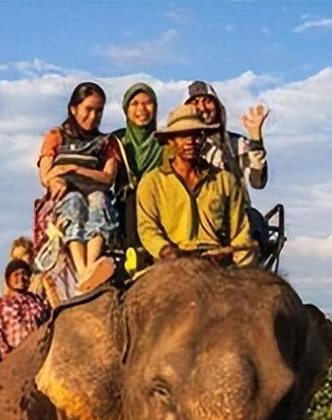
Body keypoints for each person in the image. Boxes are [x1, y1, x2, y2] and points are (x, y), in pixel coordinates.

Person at [136, 104, 256, 268]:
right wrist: (165, 250)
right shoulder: (152, 182)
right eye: (182, 136)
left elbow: (241, 231)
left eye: (196, 135)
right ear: (169, 140)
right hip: (170, 263)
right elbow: (147, 229)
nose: (190, 142)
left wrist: (237, 260)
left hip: (216, 262)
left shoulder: (225, 180)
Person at [37, 82, 121, 292]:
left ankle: (91, 265)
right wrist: (55, 180)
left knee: (98, 199)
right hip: (66, 200)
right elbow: (46, 174)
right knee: (74, 202)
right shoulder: (56, 136)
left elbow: (108, 177)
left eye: (99, 111)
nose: (93, 116)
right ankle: (84, 270)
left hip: (95, 196)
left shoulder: (106, 142)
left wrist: (74, 169)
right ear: (74, 108)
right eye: (88, 109)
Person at [185, 80, 269, 192]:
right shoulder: (175, 146)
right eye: (195, 102)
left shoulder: (237, 144)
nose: (202, 107)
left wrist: (255, 138)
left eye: (207, 101)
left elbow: (258, 181)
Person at [111, 83, 162, 249]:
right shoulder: (116, 141)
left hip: (160, 201)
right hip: (125, 208)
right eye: (134, 104)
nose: (142, 108)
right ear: (126, 109)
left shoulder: (165, 142)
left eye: (148, 103)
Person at [0, 258, 50, 357]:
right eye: (16, 274)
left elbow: (48, 320)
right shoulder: (2, 304)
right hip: (17, 356)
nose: (21, 278)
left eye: (24, 274)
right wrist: (6, 360)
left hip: (40, 350)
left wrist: (50, 287)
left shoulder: (36, 299)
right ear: (8, 279)